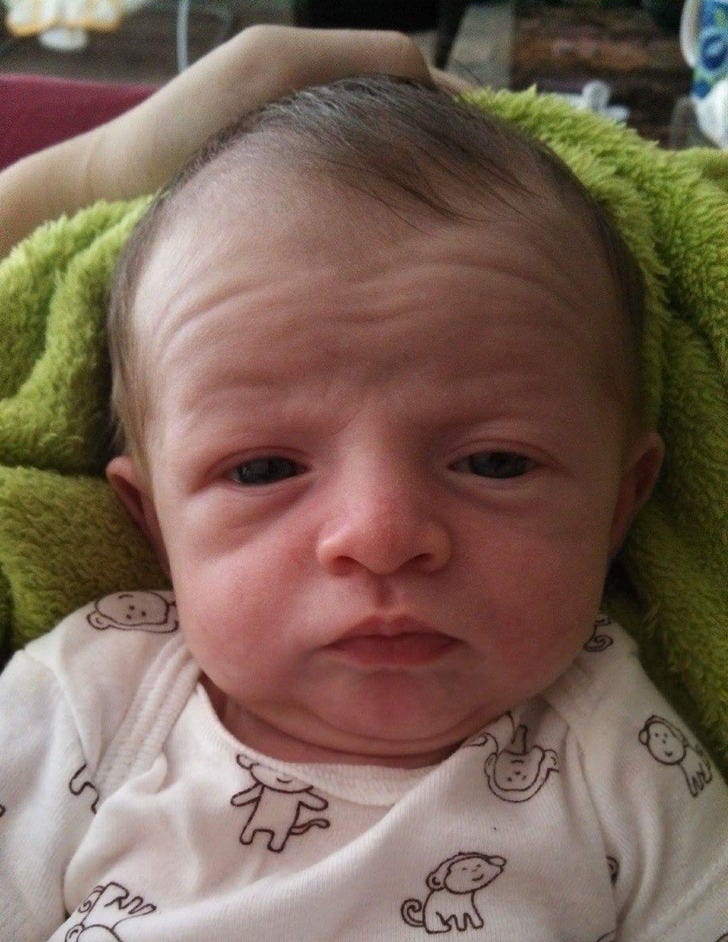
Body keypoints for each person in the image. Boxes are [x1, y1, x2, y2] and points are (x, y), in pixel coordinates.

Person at [1, 42, 726, 942]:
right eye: (263, 471)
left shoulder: (623, 759)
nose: (382, 534)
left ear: (620, 504)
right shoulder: (90, 701)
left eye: (496, 463)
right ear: (152, 521)